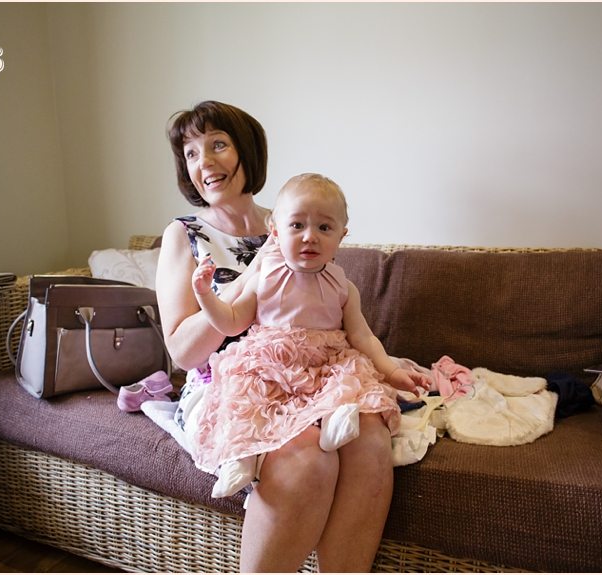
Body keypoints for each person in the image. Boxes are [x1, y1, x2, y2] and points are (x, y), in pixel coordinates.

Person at [156, 101, 404, 572]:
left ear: (247, 151)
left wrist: (383, 365)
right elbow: (182, 352)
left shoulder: (296, 217)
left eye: (217, 145)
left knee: (370, 438)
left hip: (312, 372)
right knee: (307, 458)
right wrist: (251, 276)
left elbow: (333, 308)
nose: (204, 162)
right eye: (190, 153)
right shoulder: (184, 234)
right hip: (229, 384)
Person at [190, 173, 430, 498]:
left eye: (324, 228)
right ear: (275, 231)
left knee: (350, 379)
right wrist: (206, 296)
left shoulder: (343, 287)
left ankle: (336, 421)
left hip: (324, 364)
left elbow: (363, 337)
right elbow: (231, 323)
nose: (310, 237)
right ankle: (240, 457)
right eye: (297, 225)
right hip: (270, 364)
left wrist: (392, 370)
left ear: (342, 236)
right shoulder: (264, 277)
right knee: (244, 396)